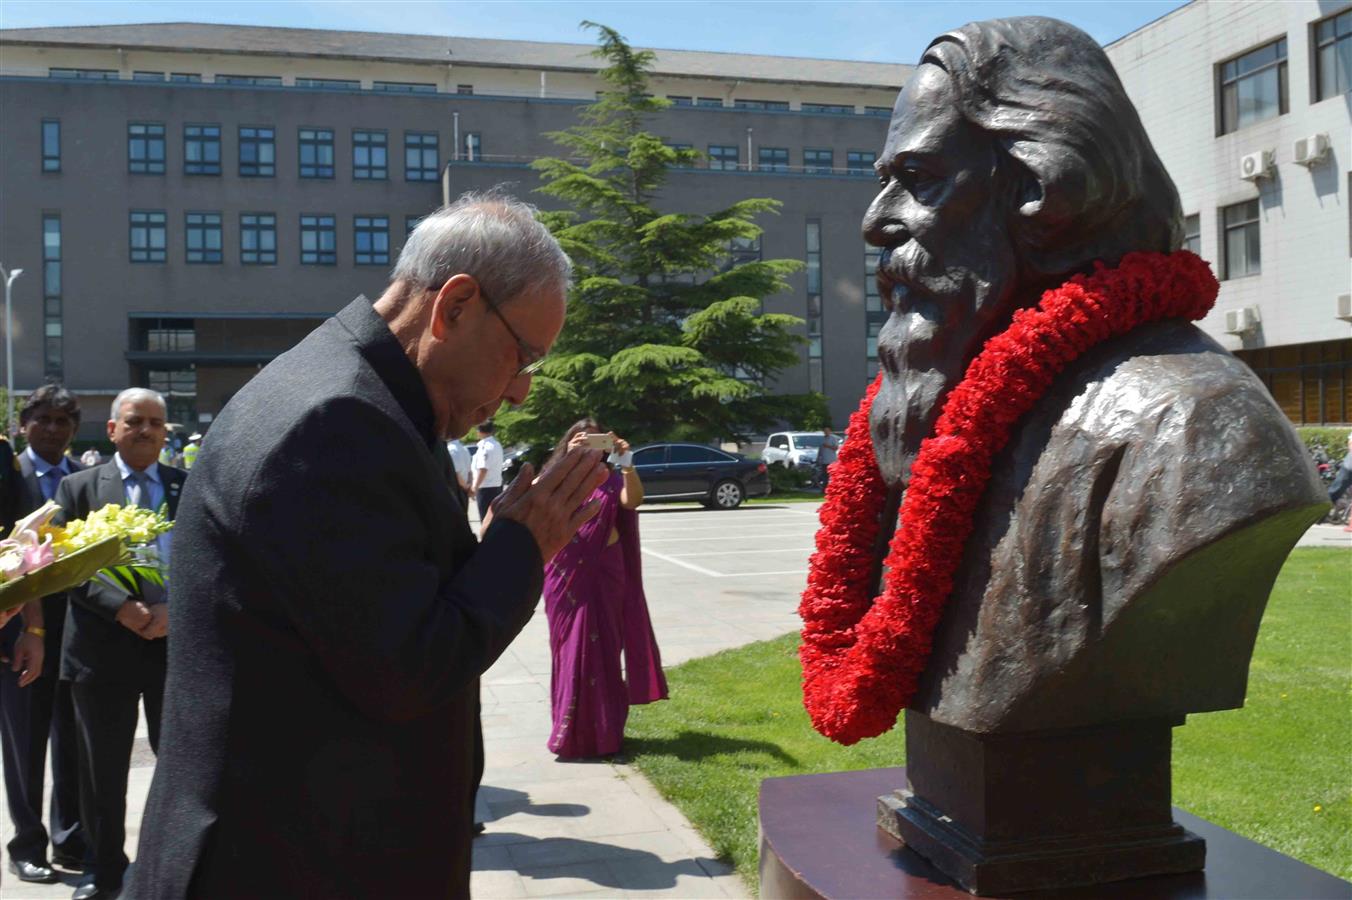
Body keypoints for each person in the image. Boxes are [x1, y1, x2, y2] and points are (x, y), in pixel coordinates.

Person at [128, 192, 608, 899]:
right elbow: (406, 668)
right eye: (522, 356)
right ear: (456, 306)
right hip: (287, 867)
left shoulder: (359, 398)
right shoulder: (334, 422)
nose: (520, 394)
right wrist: (521, 546)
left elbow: (377, 610)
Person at [54, 388, 184, 900]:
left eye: (155, 422)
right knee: (101, 771)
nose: (146, 430)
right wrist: (120, 607)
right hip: (100, 651)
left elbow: (206, 557)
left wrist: (177, 609)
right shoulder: (79, 487)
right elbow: (63, 567)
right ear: (112, 429)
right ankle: (102, 871)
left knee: (177, 763)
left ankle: (167, 868)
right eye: (135, 421)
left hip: (172, 649)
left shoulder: (185, 486)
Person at [1, 385, 88, 885]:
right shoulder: (12, 474)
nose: (53, 429)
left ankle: (70, 837)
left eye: (63, 421)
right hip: (19, 631)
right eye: (44, 419)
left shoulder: (84, 477)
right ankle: (27, 843)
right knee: (26, 744)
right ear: (25, 423)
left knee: (72, 740)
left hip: (76, 630)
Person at [544, 419, 667, 759]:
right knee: (569, 650)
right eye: (583, 441)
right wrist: (568, 461)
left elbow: (633, 500)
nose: (590, 448)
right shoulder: (556, 479)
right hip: (566, 577)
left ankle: (604, 734)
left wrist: (627, 462)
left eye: (597, 442)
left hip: (606, 573)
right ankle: (569, 733)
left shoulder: (610, 479)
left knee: (605, 649)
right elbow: (537, 498)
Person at [471, 418, 505, 521]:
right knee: (494, 519)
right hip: (497, 486)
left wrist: (475, 487)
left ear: (479, 432)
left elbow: (483, 469)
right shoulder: (496, 444)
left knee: (486, 519)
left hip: (485, 488)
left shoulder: (484, 447)